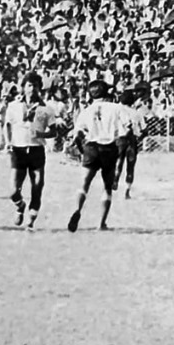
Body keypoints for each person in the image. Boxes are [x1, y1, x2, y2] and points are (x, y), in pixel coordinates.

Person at [67, 79, 128, 232]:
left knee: (84, 185)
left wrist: (82, 150)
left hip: (91, 147)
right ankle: (101, 223)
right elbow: (128, 129)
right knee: (107, 188)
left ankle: (77, 209)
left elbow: (78, 134)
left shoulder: (86, 111)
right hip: (109, 148)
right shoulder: (117, 108)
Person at [3, 73, 53, 229]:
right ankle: (20, 206)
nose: (33, 89)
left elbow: (54, 131)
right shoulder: (14, 105)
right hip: (18, 149)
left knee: (37, 186)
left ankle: (31, 221)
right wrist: (7, 142)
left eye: (36, 86)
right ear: (23, 87)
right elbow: (7, 125)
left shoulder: (46, 108)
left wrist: (41, 134)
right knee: (13, 190)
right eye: (30, 85)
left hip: (37, 150)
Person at [113, 88, 147, 200]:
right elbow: (145, 130)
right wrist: (139, 138)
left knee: (118, 162)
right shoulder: (136, 113)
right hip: (132, 141)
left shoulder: (117, 110)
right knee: (130, 167)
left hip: (120, 139)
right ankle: (127, 192)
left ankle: (115, 180)